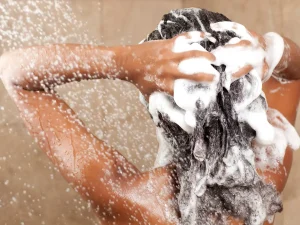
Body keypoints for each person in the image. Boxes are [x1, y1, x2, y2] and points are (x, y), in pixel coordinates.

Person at [1, 19, 300, 225]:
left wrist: (127, 62)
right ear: (247, 95)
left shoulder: (133, 201)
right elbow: (293, 75)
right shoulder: (266, 174)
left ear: (157, 106)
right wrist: (269, 50)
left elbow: (15, 75)